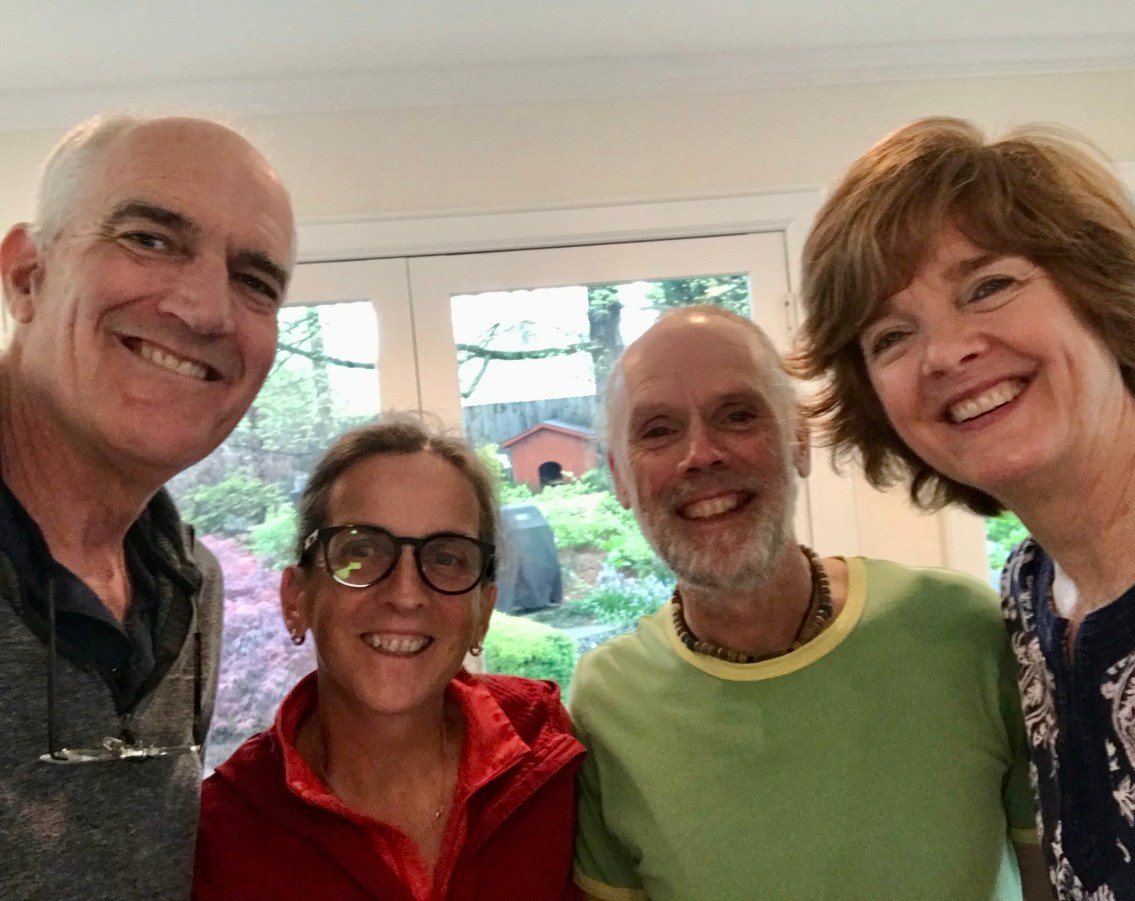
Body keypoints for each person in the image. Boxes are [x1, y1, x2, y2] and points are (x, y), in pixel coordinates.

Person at [795, 116, 1135, 898]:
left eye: (989, 287)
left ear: (1099, 289)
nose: (946, 351)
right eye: (891, 335)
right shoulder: (1029, 590)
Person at [571, 305, 1049, 901]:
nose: (701, 453)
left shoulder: (961, 630)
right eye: (658, 430)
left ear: (798, 439)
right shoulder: (606, 702)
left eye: (738, 415)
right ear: (620, 477)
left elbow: (1055, 879)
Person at [0, 114, 294, 898]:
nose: (206, 310)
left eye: (255, 280)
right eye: (149, 239)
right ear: (27, 276)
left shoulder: (190, 586)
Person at [195, 417, 586, 900]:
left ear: (482, 613)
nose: (405, 595)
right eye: (361, 551)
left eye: (446, 557)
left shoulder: (551, 750)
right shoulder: (220, 834)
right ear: (296, 598)